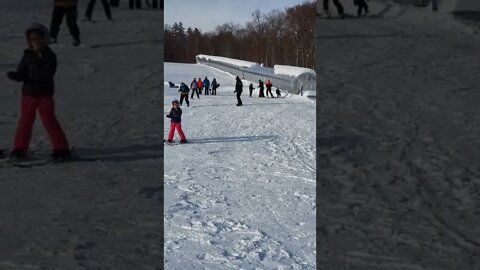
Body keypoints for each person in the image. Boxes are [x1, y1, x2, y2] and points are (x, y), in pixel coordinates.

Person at [6, 24, 70, 160]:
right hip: (28, 93)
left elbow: (47, 74)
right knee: (25, 120)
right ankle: (19, 148)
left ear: (44, 39)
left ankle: (61, 148)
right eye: (32, 39)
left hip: (44, 94)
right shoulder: (27, 55)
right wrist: (16, 76)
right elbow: (22, 72)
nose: (35, 42)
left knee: (48, 120)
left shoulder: (49, 56)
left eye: (37, 38)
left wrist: (35, 63)